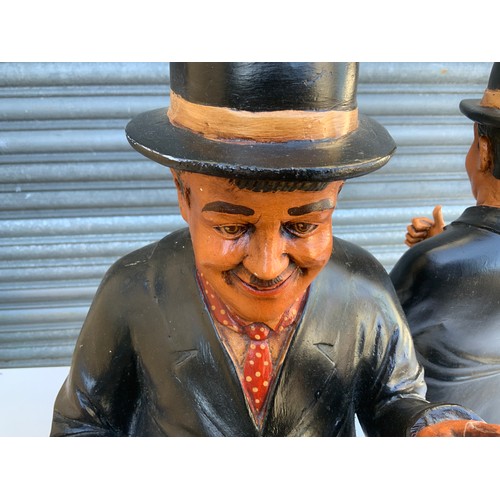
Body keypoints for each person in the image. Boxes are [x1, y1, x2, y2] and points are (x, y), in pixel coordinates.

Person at [50, 62, 498, 437]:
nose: (267, 266)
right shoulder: (134, 289)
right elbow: (82, 422)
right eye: (231, 226)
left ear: (336, 195)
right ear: (183, 193)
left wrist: (425, 425)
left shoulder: (362, 289)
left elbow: (394, 398)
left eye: (302, 226)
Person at [390, 62, 500, 423]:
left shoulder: (433, 265)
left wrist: (439, 254)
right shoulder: (440, 261)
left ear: (484, 149)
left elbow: (367, 364)